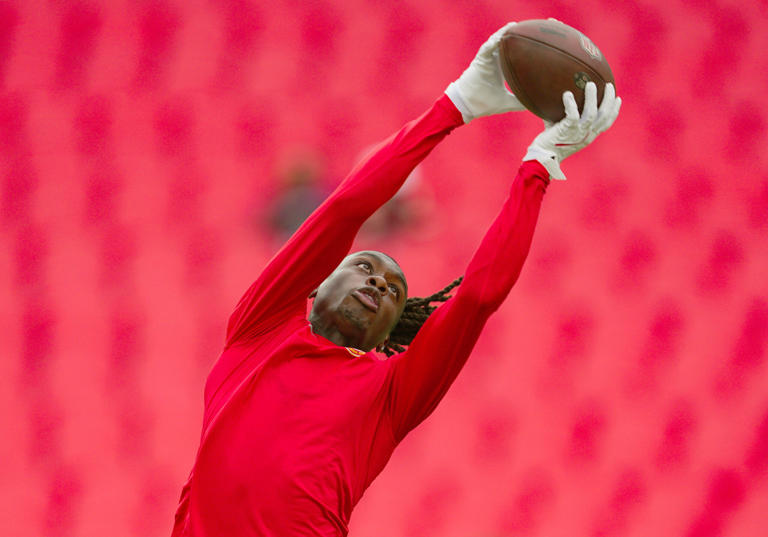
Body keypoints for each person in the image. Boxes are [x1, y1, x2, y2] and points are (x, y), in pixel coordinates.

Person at [171, 22, 621, 537]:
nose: (380, 284)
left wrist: (539, 166)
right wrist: (454, 107)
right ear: (315, 286)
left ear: (387, 336)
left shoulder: (389, 396)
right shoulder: (259, 329)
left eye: (394, 290)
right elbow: (345, 209)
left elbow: (478, 295)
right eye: (364, 266)